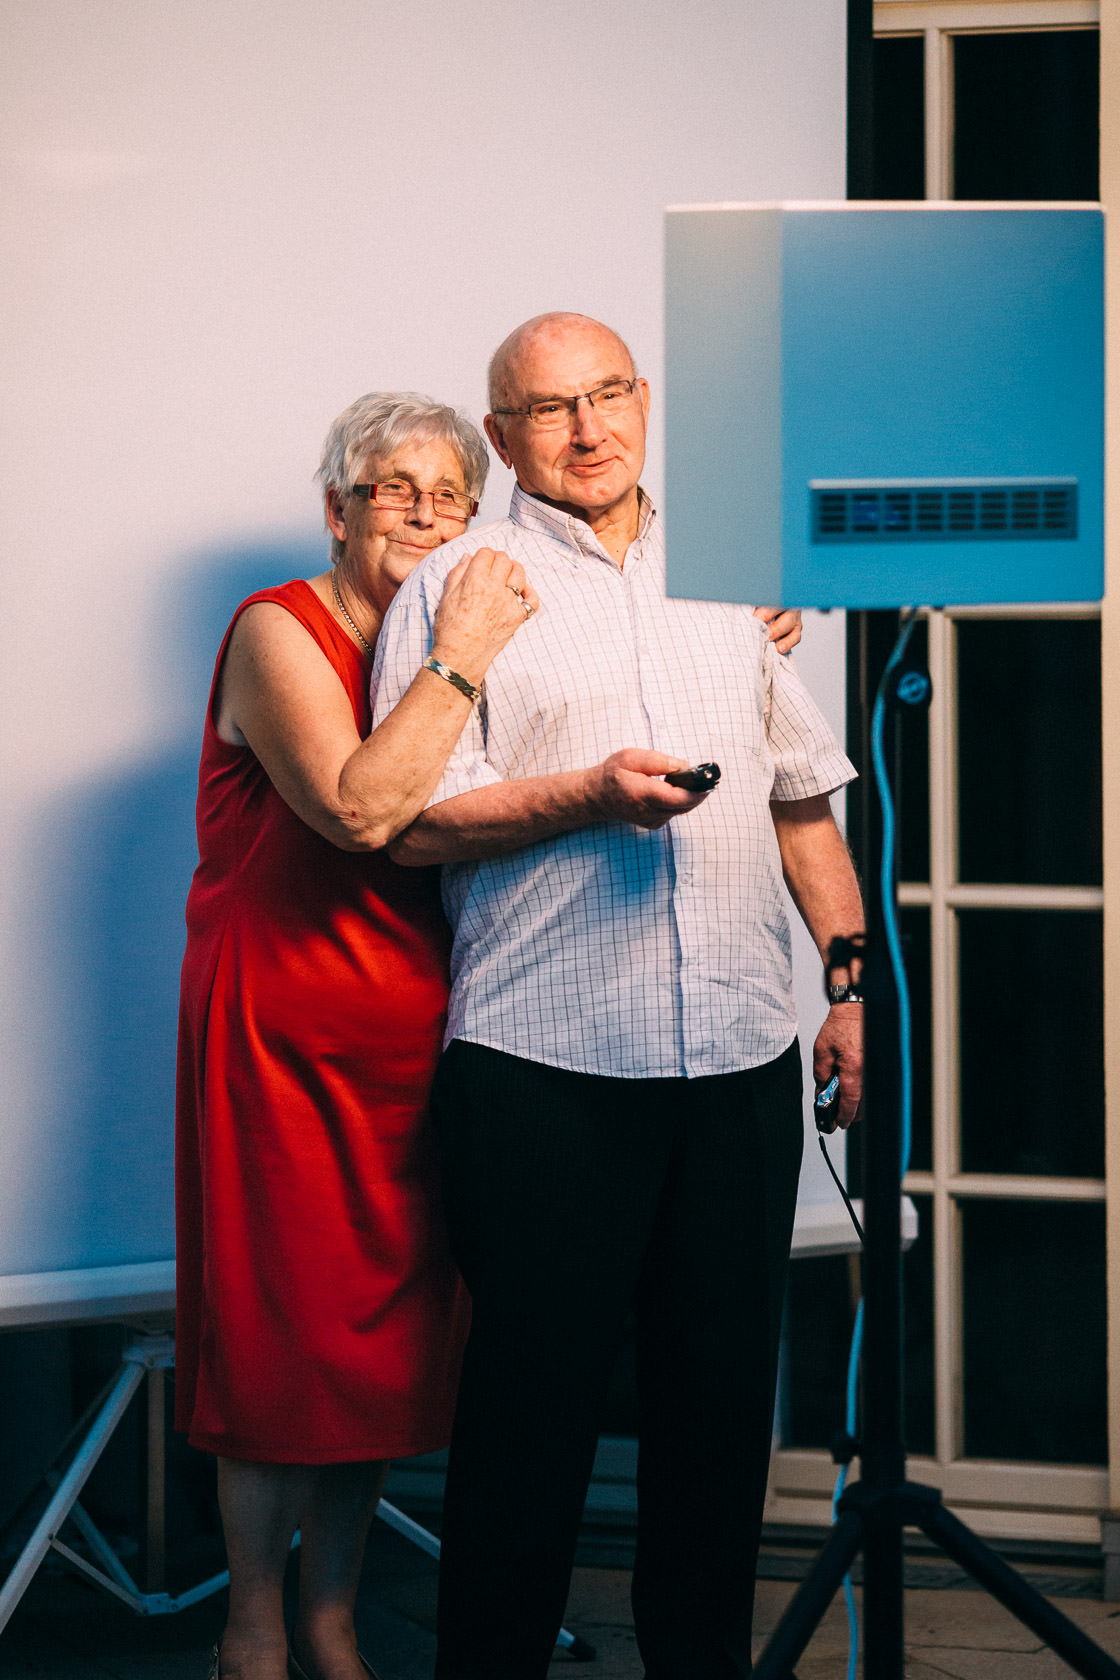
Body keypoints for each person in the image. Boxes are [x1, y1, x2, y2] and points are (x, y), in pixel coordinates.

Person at [371, 313, 865, 1680]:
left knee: (719, 1417)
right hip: (544, 1065)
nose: (586, 430)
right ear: (501, 436)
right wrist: (586, 796)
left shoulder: (735, 570)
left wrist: (849, 993)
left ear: (643, 399)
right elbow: (408, 823)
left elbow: (803, 805)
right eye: (548, 408)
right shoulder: (456, 585)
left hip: (739, 1058)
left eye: (606, 396)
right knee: (528, 1424)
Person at [174, 392, 543, 1680]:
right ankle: (252, 1627)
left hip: (418, 1032)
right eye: (396, 490)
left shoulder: (452, 630)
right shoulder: (279, 628)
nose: (426, 516)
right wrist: (467, 654)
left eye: (451, 496)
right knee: (281, 1340)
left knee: (381, 1347)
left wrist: (749, 629)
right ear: (339, 510)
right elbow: (358, 810)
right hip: (276, 1037)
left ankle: (330, 1620)